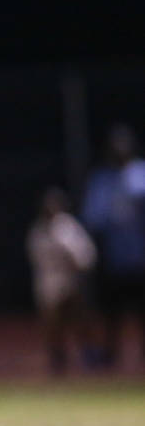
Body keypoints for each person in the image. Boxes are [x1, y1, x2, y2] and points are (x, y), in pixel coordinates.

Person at [79, 123, 145, 367]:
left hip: (141, 257)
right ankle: (110, 356)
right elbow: (92, 217)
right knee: (111, 313)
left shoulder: (141, 174)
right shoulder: (102, 180)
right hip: (114, 258)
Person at [26, 186, 97, 373]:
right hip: (49, 282)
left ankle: (87, 353)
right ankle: (57, 357)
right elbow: (35, 257)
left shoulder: (68, 227)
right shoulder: (38, 231)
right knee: (52, 324)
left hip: (70, 280)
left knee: (80, 319)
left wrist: (76, 266)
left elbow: (86, 255)